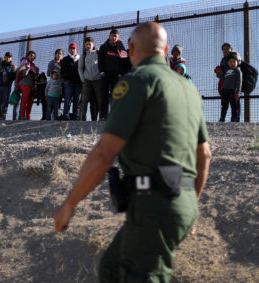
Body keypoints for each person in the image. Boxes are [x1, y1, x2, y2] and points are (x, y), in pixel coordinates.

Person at [54, 22, 211, 282]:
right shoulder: (189, 89)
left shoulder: (136, 82)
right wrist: (188, 205)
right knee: (111, 269)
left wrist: (69, 204)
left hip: (154, 205)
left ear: (131, 50)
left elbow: (105, 153)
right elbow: (204, 155)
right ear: (166, 50)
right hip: (181, 199)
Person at [98, 29, 129, 120]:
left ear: (118, 37)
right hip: (105, 75)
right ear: (109, 36)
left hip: (116, 76)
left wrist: (121, 73)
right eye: (112, 36)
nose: (113, 37)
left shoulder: (121, 49)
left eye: (115, 36)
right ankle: (103, 116)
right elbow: (100, 60)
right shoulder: (104, 47)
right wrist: (101, 71)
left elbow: (124, 62)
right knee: (104, 95)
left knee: (116, 96)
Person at [78, 37, 102, 121]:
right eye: (86, 44)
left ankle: (101, 118)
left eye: (89, 44)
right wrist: (83, 79)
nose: (88, 46)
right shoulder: (83, 55)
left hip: (98, 80)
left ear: (93, 44)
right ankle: (82, 118)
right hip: (87, 80)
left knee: (100, 99)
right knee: (84, 100)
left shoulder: (98, 54)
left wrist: (100, 75)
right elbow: (80, 68)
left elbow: (102, 65)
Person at [0, 52, 16, 120]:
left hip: (7, 86)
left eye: (9, 57)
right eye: (7, 56)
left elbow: (14, 77)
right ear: (4, 57)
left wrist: (8, 78)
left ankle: (3, 115)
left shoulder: (12, 66)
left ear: (11, 58)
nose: (8, 58)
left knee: (5, 101)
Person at [15, 51, 39, 120]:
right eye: (31, 55)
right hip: (25, 83)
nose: (32, 57)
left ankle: (28, 116)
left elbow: (35, 77)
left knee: (30, 101)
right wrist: (27, 68)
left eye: (34, 56)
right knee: (24, 99)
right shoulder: (25, 62)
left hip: (31, 85)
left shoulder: (34, 66)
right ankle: (22, 116)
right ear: (27, 56)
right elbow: (23, 74)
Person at [61, 43, 82, 120]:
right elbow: (62, 71)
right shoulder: (65, 59)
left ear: (76, 49)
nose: (72, 50)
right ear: (68, 50)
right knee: (67, 100)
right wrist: (66, 79)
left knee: (76, 101)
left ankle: (75, 117)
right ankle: (65, 116)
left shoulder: (80, 59)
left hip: (78, 83)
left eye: (74, 48)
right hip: (68, 83)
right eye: (71, 48)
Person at [220, 51, 242, 122]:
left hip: (233, 91)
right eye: (230, 62)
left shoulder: (237, 71)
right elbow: (224, 79)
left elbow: (239, 81)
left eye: (234, 62)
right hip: (225, 90)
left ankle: (234, 118)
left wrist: (238, 91)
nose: (232, 63)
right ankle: (222, 117)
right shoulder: (226, 70)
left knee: (234, 106)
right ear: (228, 63)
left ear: (237, 63)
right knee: (224, 105)